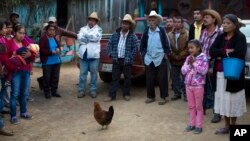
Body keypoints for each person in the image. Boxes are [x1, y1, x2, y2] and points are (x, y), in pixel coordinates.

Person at [210, 14, 247, 134]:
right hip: (220, 73)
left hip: (233, 74)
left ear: (234, 25)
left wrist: (221, 55)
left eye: (227, 23)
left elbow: (240, 53)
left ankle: (233, 126)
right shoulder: (221, 37)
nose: (224, 25)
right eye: (224, 23)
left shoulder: (240, 37)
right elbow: (212, 51)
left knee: (232, 100)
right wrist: (225, 51)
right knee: (223, 100)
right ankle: (226, 126)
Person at [5, 24, 36, 124]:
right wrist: (14, 67)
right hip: (15, 72)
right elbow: (6, 59)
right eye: (20, 33)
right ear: (14, 33)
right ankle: (13, 116)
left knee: (24, 93)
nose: (22, 35)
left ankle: (23, 112)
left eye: (23, 33)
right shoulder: (9, 43)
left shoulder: (26, 42)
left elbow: (33, 56)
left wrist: (30, 55)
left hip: (26, 71)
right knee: (14, 94)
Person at [104, 14, 138, 102]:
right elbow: (109, 45)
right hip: (116, 59)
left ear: (130, 25)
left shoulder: (132, 36)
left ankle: (126, 94)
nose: (124, 25)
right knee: (115, 78)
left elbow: (135, 48)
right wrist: (111, 54)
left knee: (127, 78)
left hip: (127, 61)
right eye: (123, 23)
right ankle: (112, 95)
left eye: (126, 23)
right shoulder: (115, 34)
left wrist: (130, 57)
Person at [37, 16, 77, 90]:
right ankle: (46, 89)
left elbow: (68, 33)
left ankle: (53, 90)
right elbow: (42, 48)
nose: (52, 24)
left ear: (56, 22)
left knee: (54, 75)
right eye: (50, 23)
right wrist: (50, 52)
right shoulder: (44, 32)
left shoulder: (59, 30)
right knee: (47, 75)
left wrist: (77, 35)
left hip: (56, 57)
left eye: (53, 22)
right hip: (47, 58)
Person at [140, 11, 170, 105]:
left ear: (157, 22)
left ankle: (163, 97)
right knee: (149, 78)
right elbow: (142, 44)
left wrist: (166, 52)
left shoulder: (161, 31)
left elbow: (166, 43)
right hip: (149, 58)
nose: (151, 22)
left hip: (160, 57)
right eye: (150, 20)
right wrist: (144, 54)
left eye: (153, 20)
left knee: (162, 78)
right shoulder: (146, 31)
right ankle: (151, 96)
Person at [182, 39, 208, 134]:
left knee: (198, 107)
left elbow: (204, 71)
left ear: (198, 48)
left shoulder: (203, 57)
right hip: (188, 85)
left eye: (192, 48)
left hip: (198, 86)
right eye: (189, 48)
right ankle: (192, 124)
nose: (190, 50)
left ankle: (199, 126)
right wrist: (189, 65)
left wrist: (194, 63)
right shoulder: (188, 58)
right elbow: (183, 71)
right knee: (191, 106)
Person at [199, 9, 222, 122]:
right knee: (203, 86)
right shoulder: (203, 31)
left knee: (215, 89)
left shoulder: (221, 33)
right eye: (204, 17)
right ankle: (203, 108)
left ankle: (217, 113)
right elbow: (200, 47)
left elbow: (221, 50)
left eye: (207, 17)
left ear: (214, 19)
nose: (204, 19)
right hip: (203, 62)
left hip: (215, 63)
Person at [77, 12, 102, 98]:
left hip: (94, 57)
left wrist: (86, 36)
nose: (91, 22)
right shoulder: (82, 28)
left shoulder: (99, 29)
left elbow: (96, 38)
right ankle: (81, 90)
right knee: (82, 75)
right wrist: (88, 38)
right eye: (90, 20)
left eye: (93, 20)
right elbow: (79, 38)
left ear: (96, 22)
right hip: (83, 56)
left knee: (94, 75)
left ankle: (93, 90)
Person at [168, 16, 188, 101]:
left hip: (183, 60)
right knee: (175, 77)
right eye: (175, 22)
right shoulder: (169, 34)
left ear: (182, 23)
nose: (177, 23)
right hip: (173, 59)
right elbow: (168, 47)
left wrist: (180, 56)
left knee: (185, 78)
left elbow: (188, 48)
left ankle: (186, 94)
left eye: (179, 22)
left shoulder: (187, 33)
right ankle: (177, 93)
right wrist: (173, 56)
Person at [39, 24, 61, 99]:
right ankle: (47, 92)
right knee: (47, 78)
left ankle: (54, 91)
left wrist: (58, 49)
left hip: (56, 61)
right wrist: (51, 52)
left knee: (55, 77)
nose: (52, 31)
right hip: (47, 62)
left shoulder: (54, 38)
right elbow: (41, 50)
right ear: (47, 31)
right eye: (50, 30)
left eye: (53, 30)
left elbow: (58, 46)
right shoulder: (43, 39)